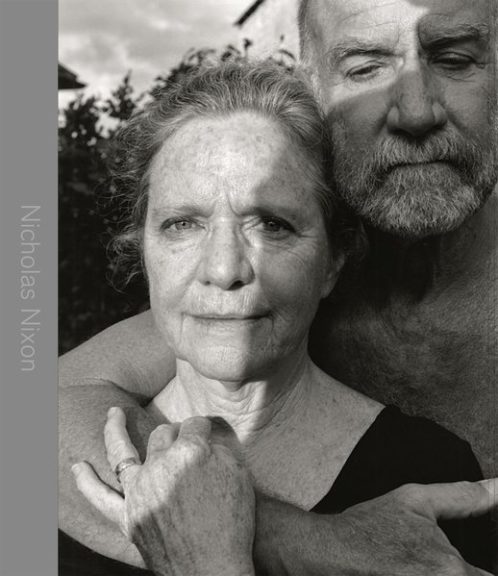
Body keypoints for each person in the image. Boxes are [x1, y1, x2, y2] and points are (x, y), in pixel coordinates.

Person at [59, 0, 498, 573]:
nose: (416, 111)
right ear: (315, 90)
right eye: (365, 67)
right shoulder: (254, 301)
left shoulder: (426, 461)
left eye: (456, 58)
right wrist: (305, 541)